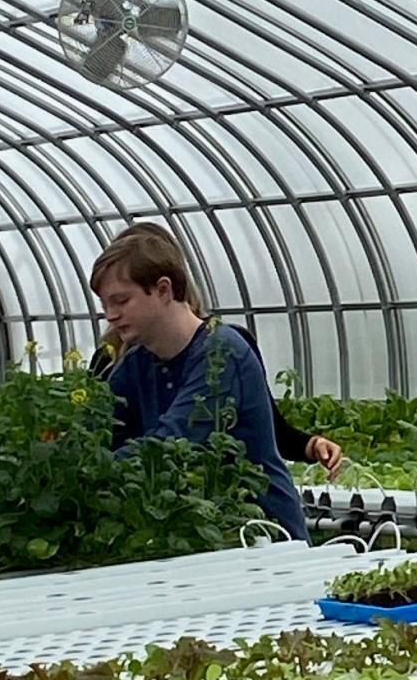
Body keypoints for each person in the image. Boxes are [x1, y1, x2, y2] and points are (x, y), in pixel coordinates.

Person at [89, 224, 310, 540]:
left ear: (164, 290)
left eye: (121, 301)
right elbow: (100, 431)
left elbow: (173, 444)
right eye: (105, 305)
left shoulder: (222, 352)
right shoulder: (137, 363)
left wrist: (88, 475)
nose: (110, 315)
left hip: (261, 535)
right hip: (200, 537)